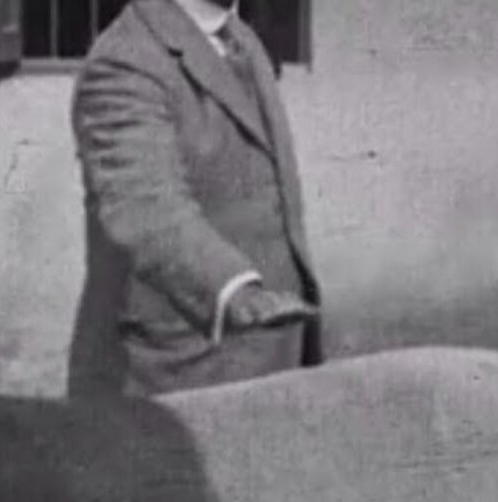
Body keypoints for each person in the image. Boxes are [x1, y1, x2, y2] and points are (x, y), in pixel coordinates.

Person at [68, 0, 322, 398]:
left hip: (269, 361)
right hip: (179, 375)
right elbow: (145, 205)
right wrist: (231, 289)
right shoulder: (125, 60)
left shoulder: (241, 37)